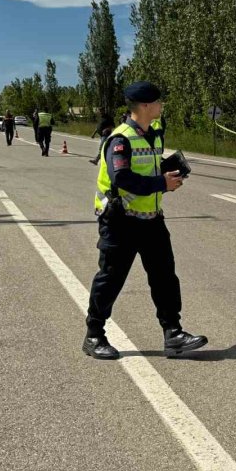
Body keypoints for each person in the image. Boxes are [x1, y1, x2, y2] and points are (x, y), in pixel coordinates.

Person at [83, 81, 207, 360]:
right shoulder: (120, 139)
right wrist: (161, 183)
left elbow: (148, 167)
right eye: (158, 102)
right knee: (110, 279)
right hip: (120, 220)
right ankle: (94, 335)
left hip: (151, 219)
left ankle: (173, 334)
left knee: (164, 277)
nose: (161, 106)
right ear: (146, 106)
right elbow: (122, 179)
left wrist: (168, 172)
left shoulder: (154, 134)